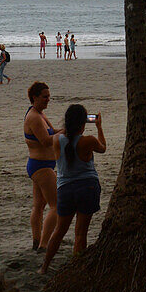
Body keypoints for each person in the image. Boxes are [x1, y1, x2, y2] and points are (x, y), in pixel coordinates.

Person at [40, 105, 106, 273]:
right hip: (87, 186)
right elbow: (103, 148)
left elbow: (64, 135)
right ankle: (78, 270)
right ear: (83, 122)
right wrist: (99, 127)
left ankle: (44, 267)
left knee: (59, 231)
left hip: (65, 189)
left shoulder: (57, 139)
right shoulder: (88, 140)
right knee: (80, 233)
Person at [24, 81, 62, 251]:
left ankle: (36, 240)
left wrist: (68, 128)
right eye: (45, 97)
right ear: (35, 97)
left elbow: (53, 132)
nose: (48, 100)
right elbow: (46, 141)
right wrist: (66, 132)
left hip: (41, 165)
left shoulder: (40, 114)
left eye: (49, 97)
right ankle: (44, 243)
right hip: (40, 166)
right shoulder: (33, 117)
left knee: (39, 206)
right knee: (57, 206)